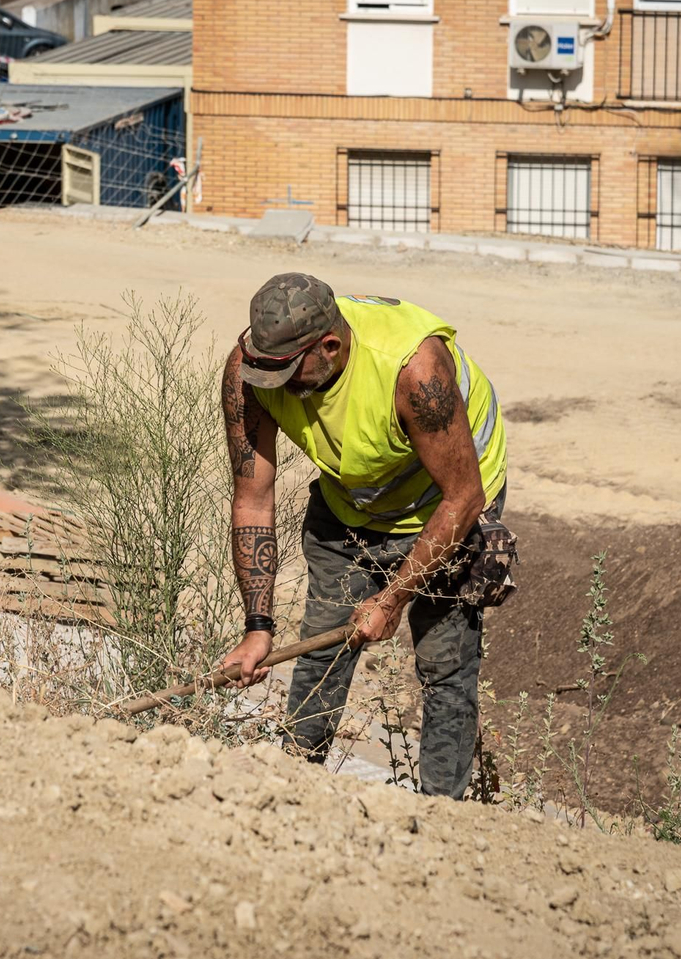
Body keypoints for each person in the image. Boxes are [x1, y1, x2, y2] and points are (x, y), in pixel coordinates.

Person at [219, 273, 513, 799]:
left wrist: (393, 597)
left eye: (288, 373)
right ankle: (296, 789)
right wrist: (258, 626)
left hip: (447, 503)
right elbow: (252, 500)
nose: (273, 387)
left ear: (330, 346)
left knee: (444, 665)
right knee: (322, 649)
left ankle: (442, 817)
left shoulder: (413, 371)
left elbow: (462, 496)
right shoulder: (253, 369)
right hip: (351, 503)